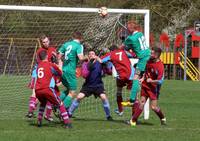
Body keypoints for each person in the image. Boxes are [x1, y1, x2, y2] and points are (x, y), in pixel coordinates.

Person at [68, 50, 113, 120]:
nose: (91, 55)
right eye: (90, 54)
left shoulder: (100, 63)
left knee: (104, 97)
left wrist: (104, 63)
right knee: (79, 97)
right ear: (88, 56)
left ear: (95, 56)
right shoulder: (85, 64)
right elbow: (84, 75)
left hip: (98, 85)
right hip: (88, 85)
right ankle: (69, 113)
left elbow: (109, 71)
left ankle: (108, 116)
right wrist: (90, 66)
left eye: (93, 54)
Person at [128, 47, 166, 126]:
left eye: (152, 53)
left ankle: (162, 118)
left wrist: (151, 81)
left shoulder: (160, 66)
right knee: (141, 103)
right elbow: (145, 70)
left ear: (156, 55)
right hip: (145, 85)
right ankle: (133, 121)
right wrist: (142, 78)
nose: (150, 54)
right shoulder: (148, 61)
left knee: (153, 107)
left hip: (153, 89)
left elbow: (160, 81)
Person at [35, 50, 72, 128]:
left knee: (43, 103)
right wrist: (60, 65)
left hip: (37, 90)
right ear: (47, 56)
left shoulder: (38, 65)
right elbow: (60, 73)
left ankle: (39, 120)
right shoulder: (50, 65)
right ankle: (67, 123)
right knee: (60, 103)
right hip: (47, 88)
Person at [26, 34, 58, 121]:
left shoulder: (53, 49)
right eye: (44, 42)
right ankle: (31, 111)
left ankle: (40, 113)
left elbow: (55, 62)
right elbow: (42, 65)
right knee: (35, 92)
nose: (46, 43)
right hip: (39, 72)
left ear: (49, 41)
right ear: (41, 43)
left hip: (48, 73)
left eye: (47, 41)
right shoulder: (40, 51)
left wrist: (56, 60)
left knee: (44, 94)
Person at [100, 44, 137, 116]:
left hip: (121, 76)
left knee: (119, 92)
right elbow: (133, 55)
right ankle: (134, 115)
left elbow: (101, 60)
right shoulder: (123, 51)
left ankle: (120, 110)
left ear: (111, 50)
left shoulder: (111, 54)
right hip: (131, 75)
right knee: (134, 96)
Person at [122, 20, 151, 106]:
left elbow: (123, 47)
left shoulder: (130, 38)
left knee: (135, 77)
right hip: (148, 55)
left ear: (130, 29)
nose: (126, 30)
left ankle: (132, 100)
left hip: (142, 59)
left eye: (127, 28)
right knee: (143, 78)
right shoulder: (140, 34)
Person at [58, 31, 88, 110]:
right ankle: (62, 110)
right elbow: (81, 58)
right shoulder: (79, 46)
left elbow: (59, 55)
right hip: (71, 71)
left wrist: (60, 65)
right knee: (72, 92)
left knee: (69, 90)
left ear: (72, 37)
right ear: (81, 38)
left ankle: (55, 103)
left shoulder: (66, 44)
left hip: (63, 71)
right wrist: (87, 57)